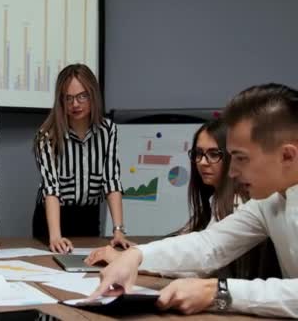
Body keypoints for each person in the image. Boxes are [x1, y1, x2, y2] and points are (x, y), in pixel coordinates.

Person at [90, 83, 298, 318]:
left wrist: (218, 292)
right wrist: (136, 256)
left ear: (287, 156)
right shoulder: (269, 201)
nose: (232, 172)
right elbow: (210, 245)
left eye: (241, 158)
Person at [86, 119, 280, 279]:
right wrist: (137, 254)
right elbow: (190, 244)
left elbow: (203, 260)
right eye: (198, 153)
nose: (203, 162)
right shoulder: (216, 200)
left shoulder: (239, 202)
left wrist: (129, 258)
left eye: (214, 154)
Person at [33, 64, 131, 254]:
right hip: (53, 218)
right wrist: (55, 236)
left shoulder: (108, 130)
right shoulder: (46, 135)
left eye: (82, 96)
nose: (75, 104)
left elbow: (112, 181)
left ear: (93, 95)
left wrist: (118, 230)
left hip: (88, 216)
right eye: (68, 98)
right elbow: (50, 187)